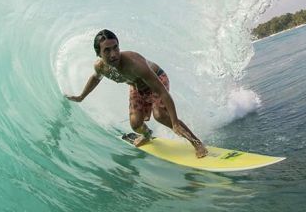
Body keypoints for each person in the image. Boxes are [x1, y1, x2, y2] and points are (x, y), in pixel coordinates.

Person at [65, 29, 208, 158]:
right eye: (107, 51)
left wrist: (175, 121)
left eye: (115, 48)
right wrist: (81, 96)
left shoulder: (134, 64)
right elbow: (96, 78)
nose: (113, 54)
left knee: (160, 115)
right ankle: (147, 135)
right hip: (136, 86)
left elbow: (162, 92)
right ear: (98, 54)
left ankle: (196, 143)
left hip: (157, 80)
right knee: (135, 124)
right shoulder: (100, 66)